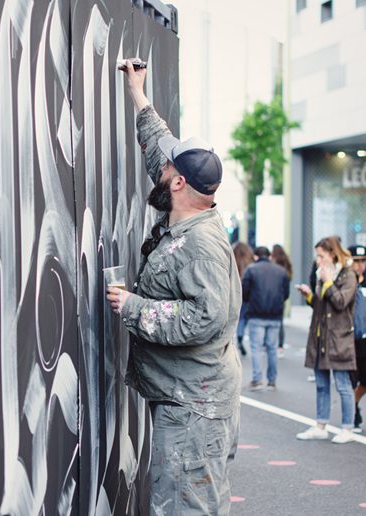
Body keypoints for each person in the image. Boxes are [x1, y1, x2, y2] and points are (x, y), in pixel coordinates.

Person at [106, 57, 242, 516]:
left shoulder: (200, 245)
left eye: (167, 168)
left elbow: (206, 316)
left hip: (193, 408)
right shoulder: (185, 205)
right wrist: (138, 91)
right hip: (190, 397)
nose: (158, 168)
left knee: (187, 507)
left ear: (179, 181)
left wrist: (134, 308)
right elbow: (156, 149)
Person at [295, 237, 358, 444]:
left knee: (343, 385)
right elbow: (322, 306)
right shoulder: (322, 274)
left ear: (333, 254)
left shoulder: (349, 275)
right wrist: (309, 296)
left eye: (321, 256)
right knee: (321, 385)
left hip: (339, 339)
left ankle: (347, 428)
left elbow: (340, 302)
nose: (318, 261)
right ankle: (321, 426)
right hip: (321, 338)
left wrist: (329, 282)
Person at [242, 246, 290, 390]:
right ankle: (272, 381)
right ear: (269, 256)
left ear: (255, 257)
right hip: (275, 315)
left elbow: (244, 293)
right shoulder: (281, 271)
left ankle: (257, 379)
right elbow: (286, 293)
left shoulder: (251, 269)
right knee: (272, 349)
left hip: (256, 314)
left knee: (256, 348)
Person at [347, 244, 366, 431]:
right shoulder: (345, 280)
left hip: (365, 338)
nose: (360, 265)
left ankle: (353, 403)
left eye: (363, 261)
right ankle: (352, 411)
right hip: (349, 337)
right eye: (356, 261)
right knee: (352, 377)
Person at [271, 244, 293, 358]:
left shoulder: (274, 265)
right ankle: (280, 347)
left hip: (273, 295)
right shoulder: (287, 264)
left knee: (271, 321)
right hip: (282, 297)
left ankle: (268, 345)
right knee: (280, 322)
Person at [233, 242, 254, 356]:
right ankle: (240, 335)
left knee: (234, 315)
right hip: (245, 293)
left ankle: (233, 337)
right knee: (243, 317)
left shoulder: (232, 258)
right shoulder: (249, 261)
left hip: (233, 291)